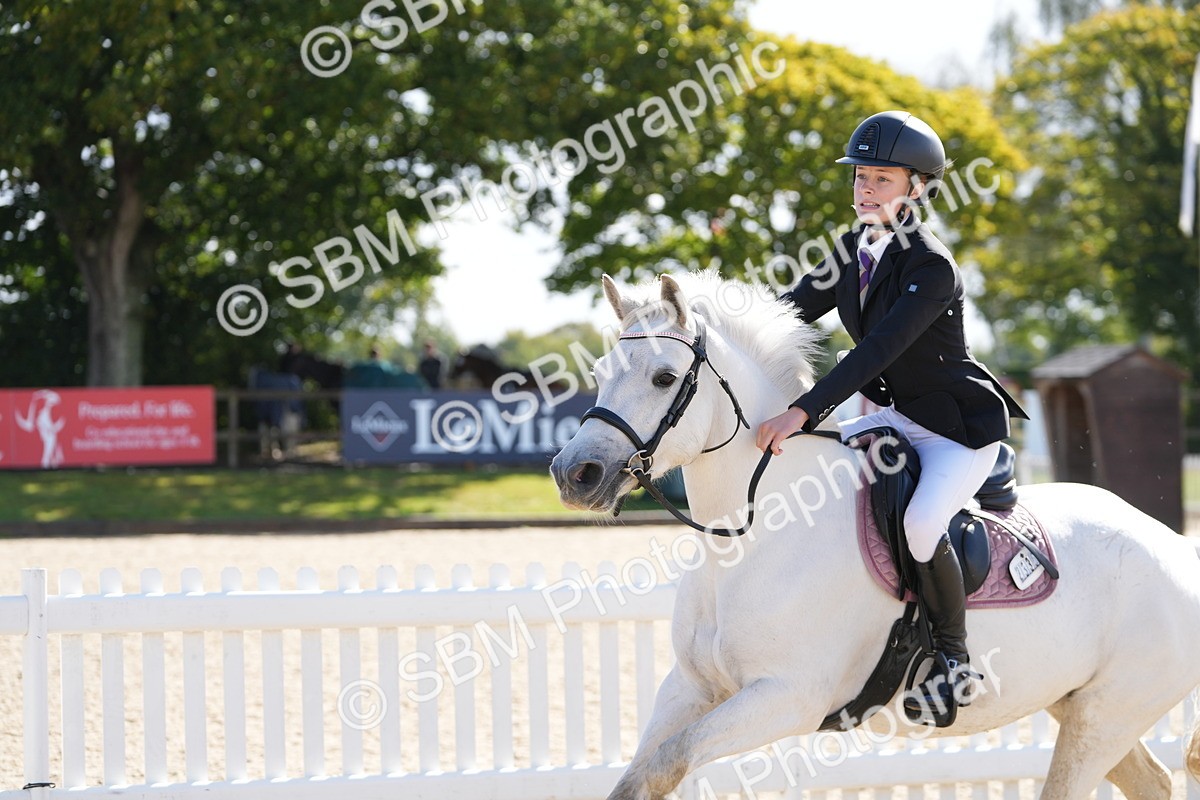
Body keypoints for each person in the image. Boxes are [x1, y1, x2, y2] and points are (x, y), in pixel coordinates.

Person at [755, 110, 1029, 724]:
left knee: (922, 525)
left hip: (958, 432)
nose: (865, 190)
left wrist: (801, 410)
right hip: (898, 419)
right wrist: (723, 330)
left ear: (918, 188)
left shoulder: (932, 267)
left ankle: (954, 659)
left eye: (880, 179)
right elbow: (790, 311)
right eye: (859, 178)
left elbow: (875, 351)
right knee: (814, 475)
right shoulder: (851, 249)